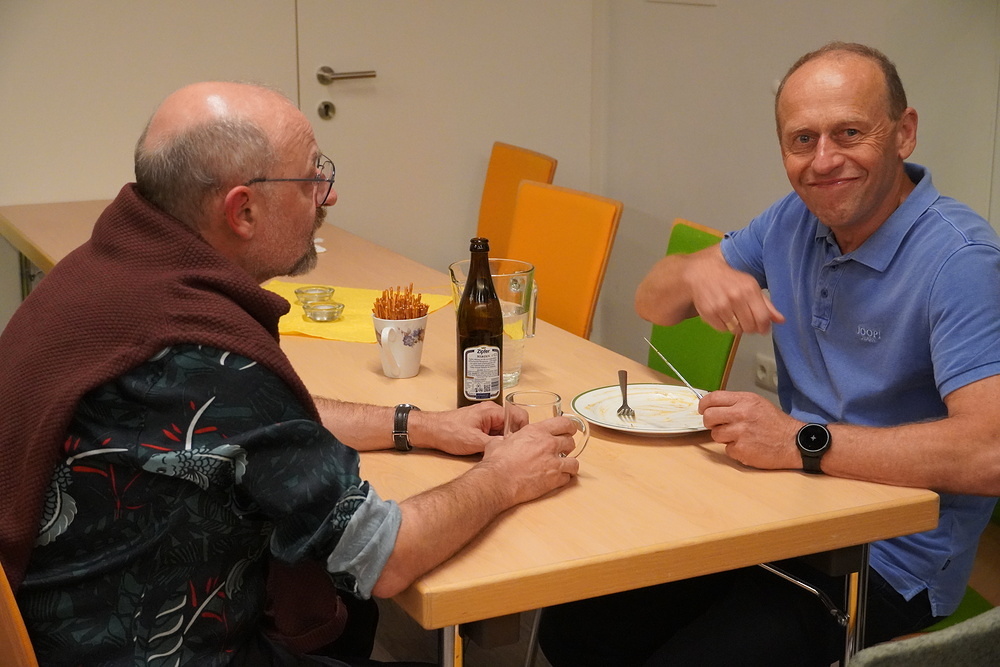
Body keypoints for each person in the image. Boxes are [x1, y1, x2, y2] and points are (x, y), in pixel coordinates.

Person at [0, 81, 580, 666]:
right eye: (311, 179)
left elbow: (254, 419)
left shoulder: (110, 273)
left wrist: (421, 425)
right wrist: (503, 476)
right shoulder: (206, 356)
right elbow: (384, 554)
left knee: (352, 617)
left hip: (67, 629)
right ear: (243, 211)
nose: (329, 195)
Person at [539, 42, 1000, 666]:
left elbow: (990, 453)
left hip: (885, 559)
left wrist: (799, 442)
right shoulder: (793, 219)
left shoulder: (961, 261)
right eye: (802, 140)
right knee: (576, 625)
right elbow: (653, 301)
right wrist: (695, 273)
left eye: (850, 133)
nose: (824, 160)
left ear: (904, 133)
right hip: (780, 514)